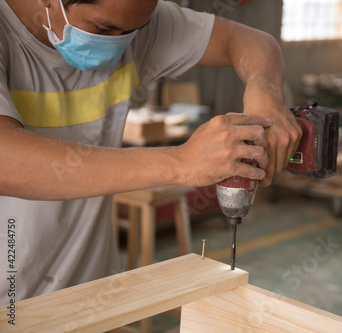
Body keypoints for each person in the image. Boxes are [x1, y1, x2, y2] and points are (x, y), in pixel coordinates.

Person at [0, 0, 301, 303]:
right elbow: (7, 162)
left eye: (134, 30)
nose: (117, 43)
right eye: (103, 29)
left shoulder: (130, 16)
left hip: (89, 298)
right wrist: (181, 162)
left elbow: (252, 41)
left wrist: (266, 93)